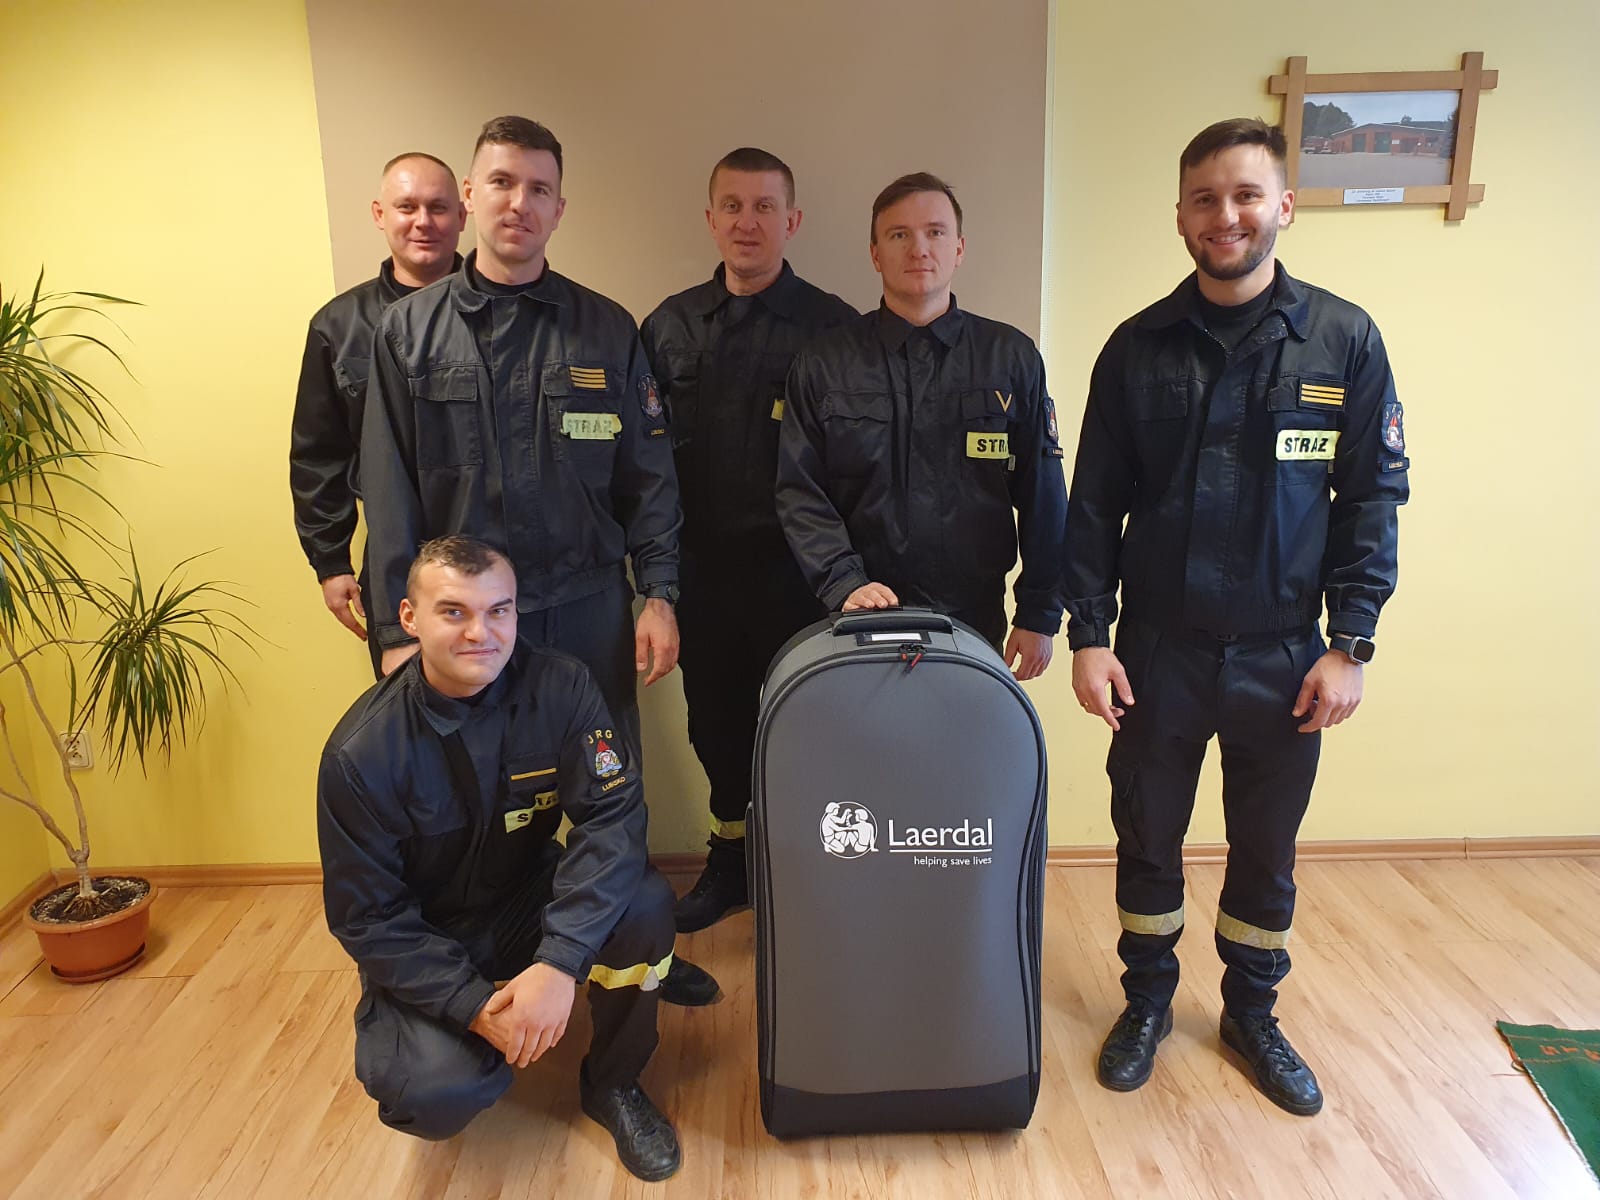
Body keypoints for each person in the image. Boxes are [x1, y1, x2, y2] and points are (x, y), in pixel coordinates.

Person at [1063, 118, 1409, 1116]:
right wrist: (1089, 636)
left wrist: (1350, 645)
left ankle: (1251, 1015)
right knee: (1147, 839)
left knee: (1265, 851)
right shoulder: (1137, 349)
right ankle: (1146, 1004)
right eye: (1206, 199)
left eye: (1247, 195)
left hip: (1283, 659)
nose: (1227, 216)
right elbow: (1093, 506)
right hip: (1156, 655)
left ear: (1283, 206)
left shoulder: (1342, 340)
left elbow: (1371, 500)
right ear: (1180, 215)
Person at [317, 536, 718, 1181]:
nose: (481, 633)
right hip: (430, 935)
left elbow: (612, 818)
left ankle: (612, 1082)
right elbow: (367, 919)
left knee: (644, 903)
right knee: (432, 1092)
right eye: (454, 612)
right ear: (410, 618)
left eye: (498, 611)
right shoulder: (361, 754)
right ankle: (490, 1040)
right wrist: (475, 1007)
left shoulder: (562, 686)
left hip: (525, 899)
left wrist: (559, 960)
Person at [361, 116, 681, 763]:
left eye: (539, 189)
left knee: (605, 783)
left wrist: (660, 595)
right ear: (470, 194)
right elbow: (388, 493)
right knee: (470, 789)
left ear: (558, 209)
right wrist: (396, 631)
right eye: (502, 182)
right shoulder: (407, 332)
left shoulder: (606, 329)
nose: (519, 203)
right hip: (463, 616)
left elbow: (648, 476)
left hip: (585, 608)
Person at [640, 147, 855, 931]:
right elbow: (645, 463)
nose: (747, 222)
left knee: (808, 728)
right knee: (716, 726)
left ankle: (802, 872)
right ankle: (730, 862)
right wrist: (656, 583)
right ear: (711, 219)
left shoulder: (834, 328)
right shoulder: (667, 327)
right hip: (702, 575)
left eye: (765, 207)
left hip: (801, 578)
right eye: (732, 206)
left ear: (792, 221)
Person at [776, 172, 1067, 677]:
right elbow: (800, 491)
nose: (919, 249)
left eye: (935, 232)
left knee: (964, 731)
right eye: (899, 234)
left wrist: (1039, 613)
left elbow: (1044, 494)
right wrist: (844, 582)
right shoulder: (824, 364)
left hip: (972, 623)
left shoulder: (1009, 357)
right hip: (853, 617)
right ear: (875, 254)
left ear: (959, 248)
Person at [290, 152, 465, 676]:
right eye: (407, 207)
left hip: (500, 557)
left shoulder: (502, 315)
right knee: (412, 709)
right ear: (379, 214)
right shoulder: (338, 327)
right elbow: (318, 454)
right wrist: (331, 561)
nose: (423, 221)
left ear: (463, 214)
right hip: (397, 560)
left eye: (438, 207)